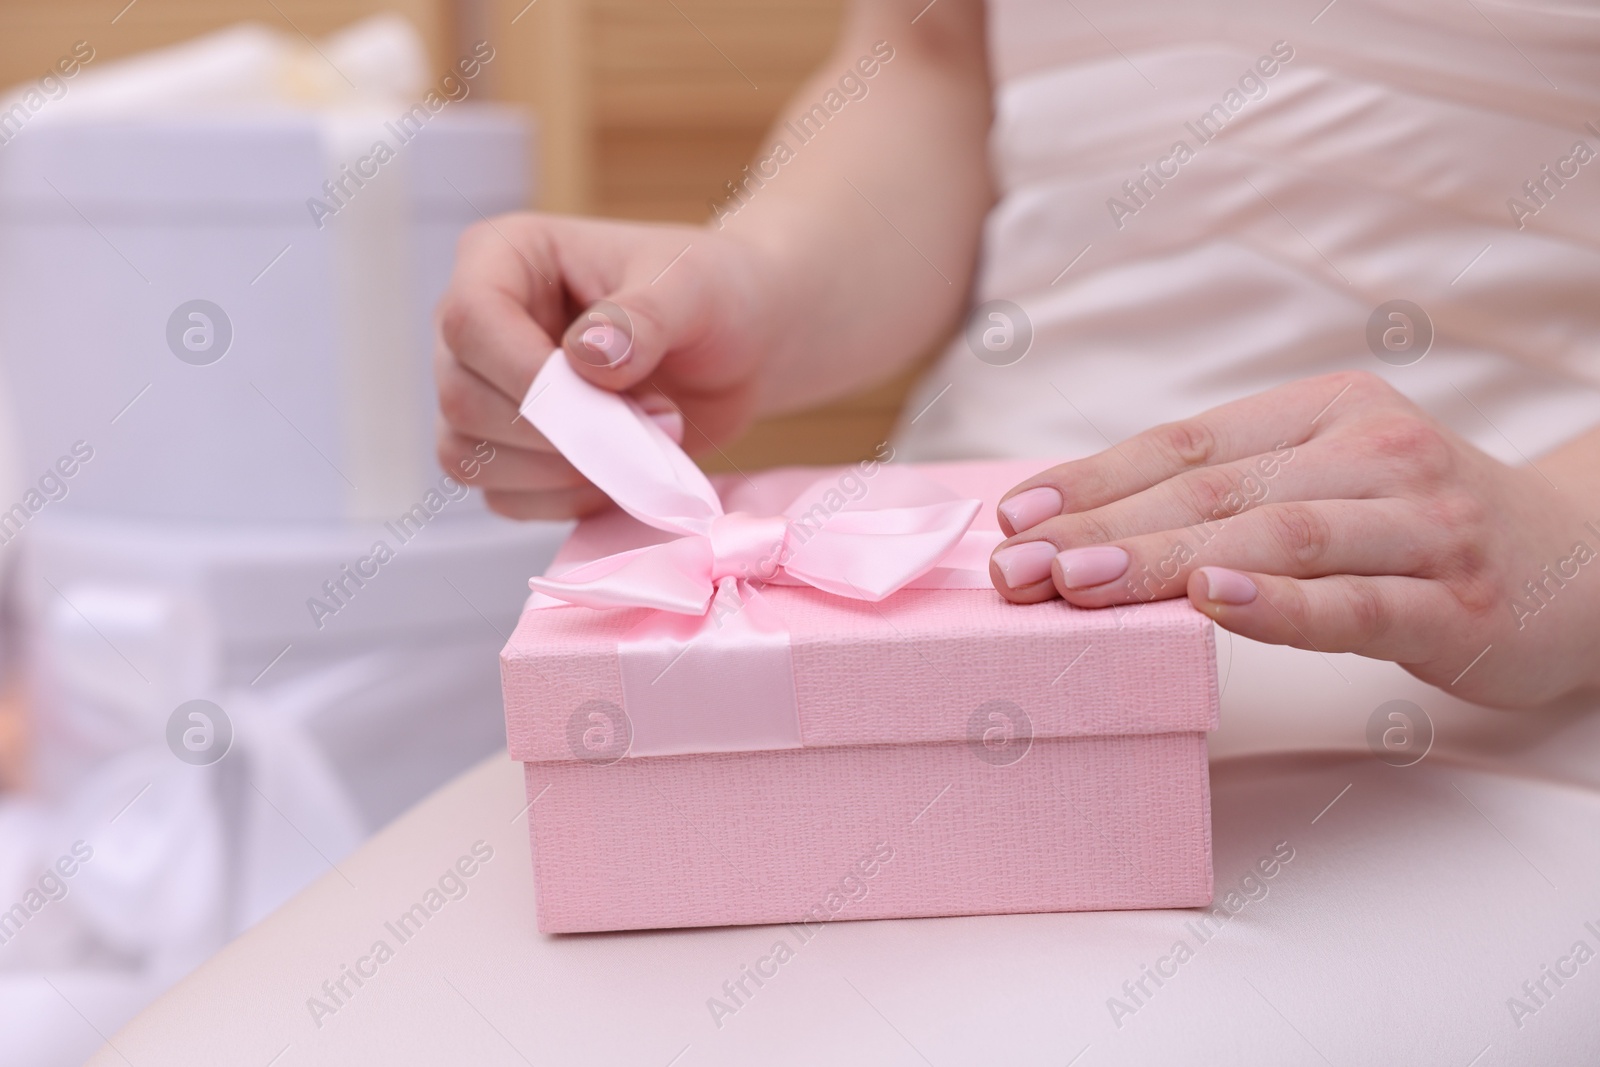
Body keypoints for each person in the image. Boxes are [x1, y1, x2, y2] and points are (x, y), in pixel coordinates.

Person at [434, 0, 1600, 711]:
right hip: (968, 569)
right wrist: (757, 288)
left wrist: (1558, 542)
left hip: (1508, 654)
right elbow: (931, 60)